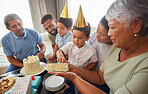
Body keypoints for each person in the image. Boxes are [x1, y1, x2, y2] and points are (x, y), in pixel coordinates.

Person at [49, 0, 148, 94]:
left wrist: (75, 78)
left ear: (136, 25)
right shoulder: (117, 47)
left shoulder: (144, 67)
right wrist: (76, 70)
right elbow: (100, 77)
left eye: (112, 28)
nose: (109, 34)